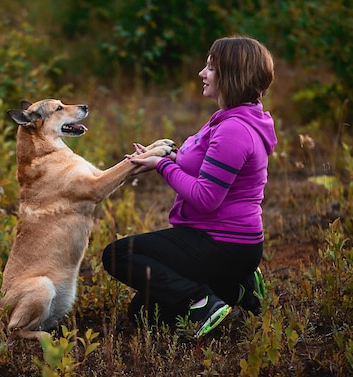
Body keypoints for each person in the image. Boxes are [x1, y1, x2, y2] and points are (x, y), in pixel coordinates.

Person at [101, 36, 277, 338]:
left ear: (231, 75)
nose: (201, 73)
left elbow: (205, 198)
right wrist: (165, 155)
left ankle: (201, 302)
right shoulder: (229, 118)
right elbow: (201, 165)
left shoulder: (234, 129)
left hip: (224, 243)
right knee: (144, 314)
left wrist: (162, 166)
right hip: (220, 241)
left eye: (210, 67)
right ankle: (238, 288)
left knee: (118, 255)